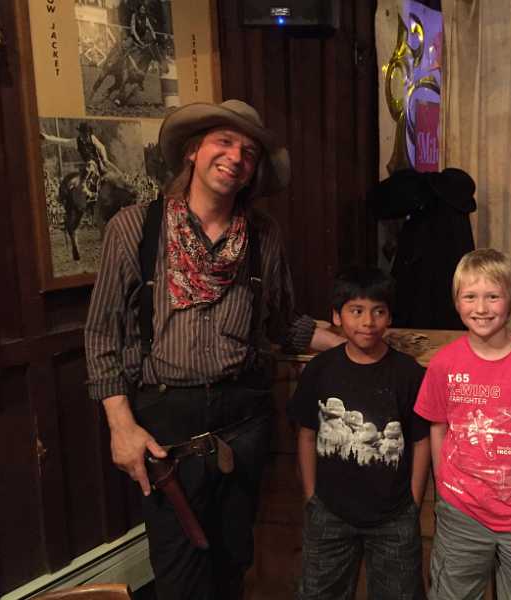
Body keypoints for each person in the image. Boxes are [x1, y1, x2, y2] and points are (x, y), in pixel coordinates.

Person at [84, 99, 344, 600]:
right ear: (192, 151)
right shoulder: (135, 228)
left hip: (243, 422)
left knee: (233, 563)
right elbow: (101, 335)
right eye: (224, 142)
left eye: (249, 151)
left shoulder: (263, 236)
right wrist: (121, 427)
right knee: (179, 574)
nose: (236, 157)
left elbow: (282, 323)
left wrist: (351, 341)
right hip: (166, 428)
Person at [414, 249, 511, 600]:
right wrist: (445, 495)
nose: (481, 308)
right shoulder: (443, 363)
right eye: (470, 296)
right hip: (460, 515)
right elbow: (438, 428)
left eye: (493, 296)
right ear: (456, 301)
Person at [288, 266, 431, 600]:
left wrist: (413, 501)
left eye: (378, 311)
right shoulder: (320, 370)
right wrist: (311, 496)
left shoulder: (408, 373)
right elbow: (306, 434)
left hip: (394, 516)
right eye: (356, 311)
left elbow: (421, 440)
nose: (368, 321)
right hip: (329, 512)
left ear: (390, 316)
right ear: (336, 316)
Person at [40, 121, 122, 203]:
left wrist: (104, 158)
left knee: (113, 172)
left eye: (85, 134)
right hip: (90, 163)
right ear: (80, 133)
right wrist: (46, 137)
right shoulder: (76, 141)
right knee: (90, 168)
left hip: (99, 161)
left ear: (89, 133)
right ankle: (88, 192)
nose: (84, 136)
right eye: (82, 134)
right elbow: (63, 141)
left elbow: (101, 147)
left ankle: (122, 182)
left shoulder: (93, 139)